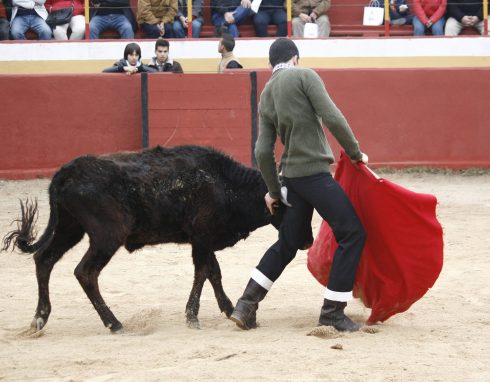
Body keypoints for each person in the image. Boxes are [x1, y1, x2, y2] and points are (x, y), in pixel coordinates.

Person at [230, 38, 368, 332]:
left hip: (291, 179)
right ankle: (332, 311)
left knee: (288, 243)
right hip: (315, 176)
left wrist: (273, 189)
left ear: (272, 65)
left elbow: (262, 151)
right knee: (352, 233)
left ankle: (246, 304)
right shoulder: (305, 75)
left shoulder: (267, 93)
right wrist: (355, 153)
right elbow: (332, 117)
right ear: (295, 58)